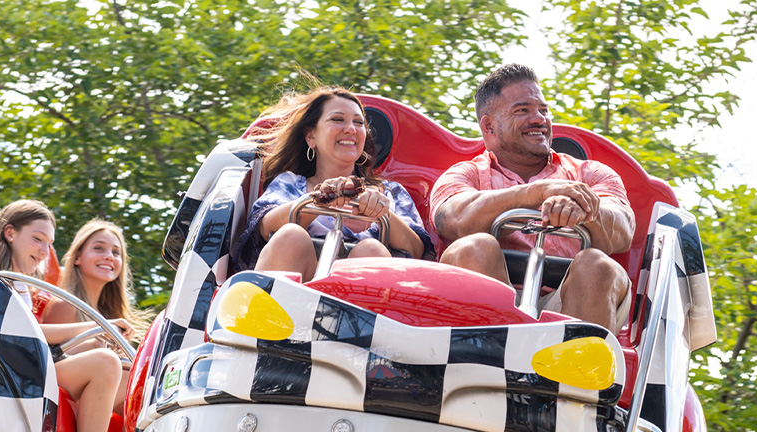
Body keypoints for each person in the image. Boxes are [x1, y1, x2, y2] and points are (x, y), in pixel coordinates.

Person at [431, 64, 635, 331]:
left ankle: (575, 368)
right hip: (492, 304)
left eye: (543, 110)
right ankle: (482, 360)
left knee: (597, 265)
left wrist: (581, 209)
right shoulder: (465, 174)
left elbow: (623, 230)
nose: (539, 119)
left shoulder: (590, 174)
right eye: (522, 110)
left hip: (569, 301)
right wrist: (536, 193)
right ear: (489, 126)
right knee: (474, 247)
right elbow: (452, 218)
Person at [234, 86, 434, 281]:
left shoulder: (390, 192)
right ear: (311, 136)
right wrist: (322, 199)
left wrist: (379, 211)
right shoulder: (290, 183)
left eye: (359, 123)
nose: (350, 129)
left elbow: (416, 251)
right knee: (291, 236)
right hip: (296, 284)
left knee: (371, 250)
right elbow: (265, 227)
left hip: (356, 295)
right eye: (338, 119)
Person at [0, 200, 125, 432]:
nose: (45, 251)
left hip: (27, 364)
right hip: (5, 368)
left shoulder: (21, 283)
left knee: (123, 370)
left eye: (49, 244)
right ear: (10, 233)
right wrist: (98, 326)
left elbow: (30, 333)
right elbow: (20, 331)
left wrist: (97, 334)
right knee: (106, 362)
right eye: (38, 239)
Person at [42, 218, 144, 342]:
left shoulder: (112, 316)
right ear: (77, 257)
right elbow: (49, 358)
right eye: (98, 248)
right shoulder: (66, 305)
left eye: (116, 252)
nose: (109, 257)